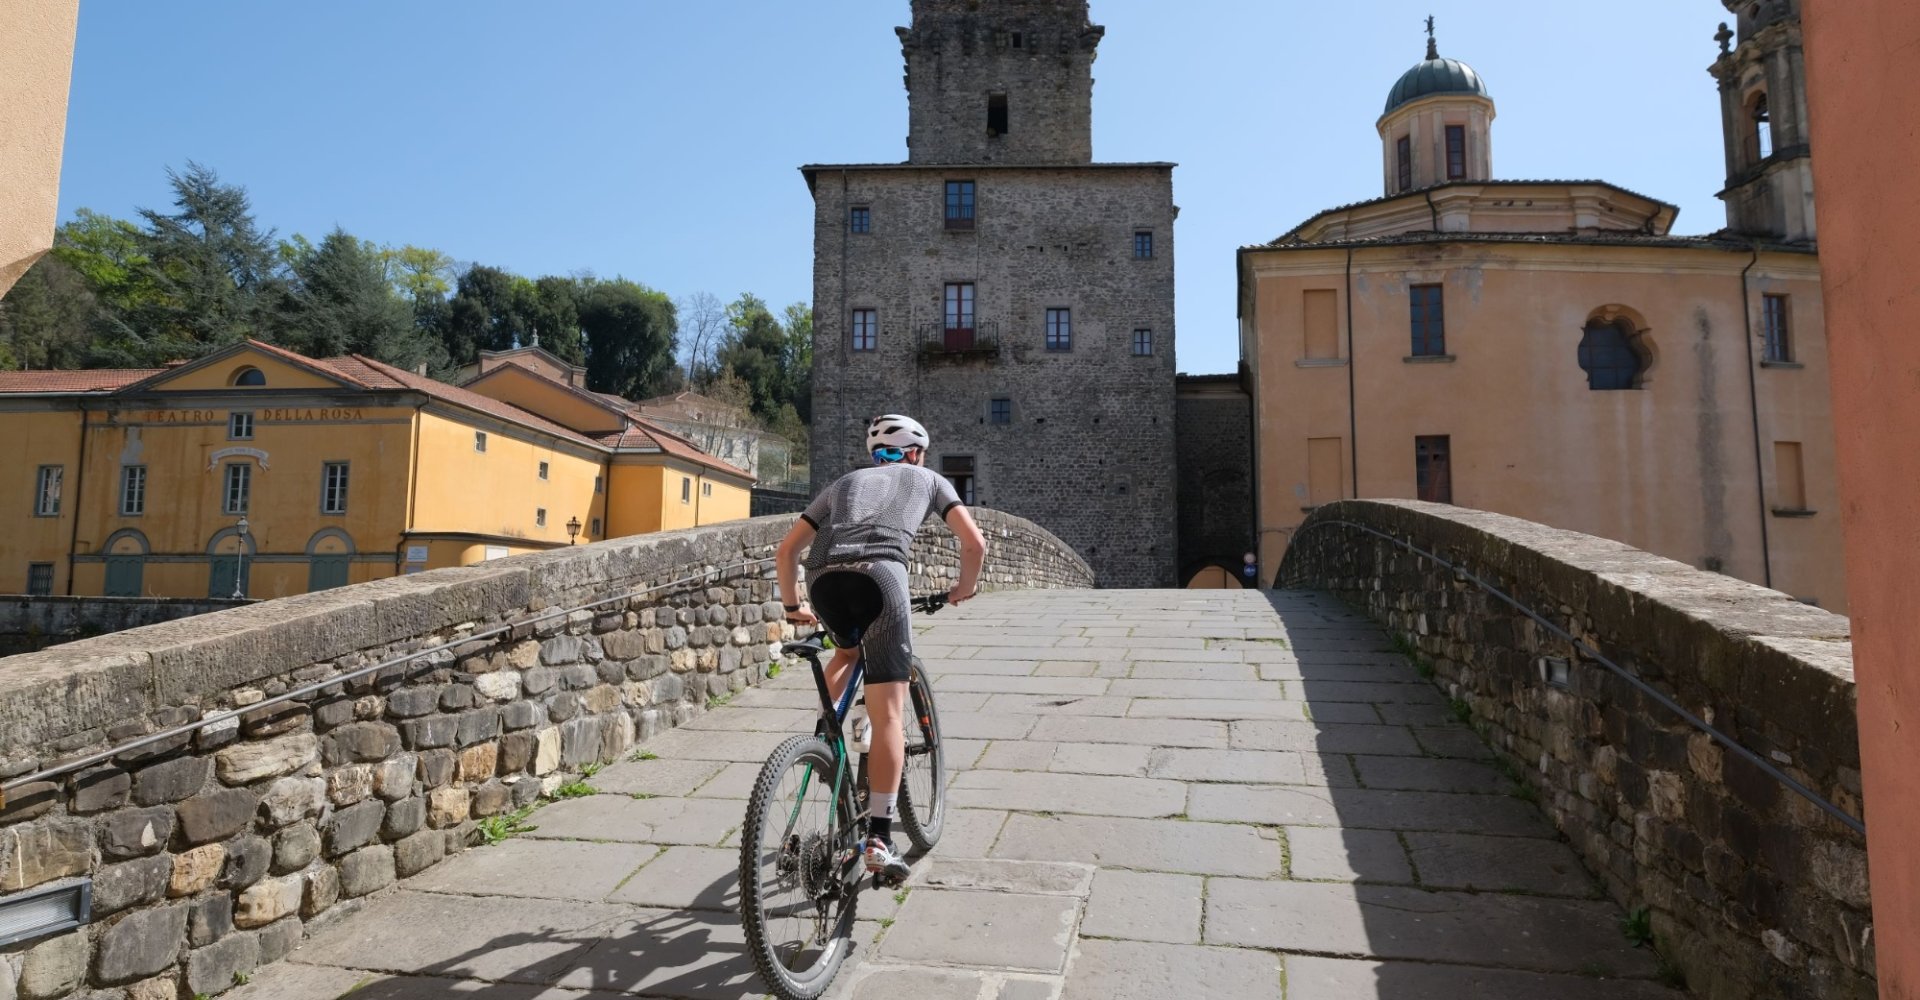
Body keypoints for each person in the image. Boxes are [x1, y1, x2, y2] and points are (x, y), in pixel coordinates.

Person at [774, 414, 988, 882]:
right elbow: (975, 544)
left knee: (848, 653)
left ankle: (823, 735)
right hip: (881, 577)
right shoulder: (928, 479)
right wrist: (961, 589)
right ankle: (880, 837)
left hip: (824, 579)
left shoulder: (844, 482)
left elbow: (787, 551)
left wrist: (793, 608)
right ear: (917, 452)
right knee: (889, 714)